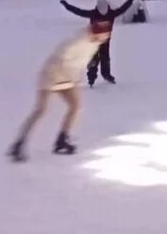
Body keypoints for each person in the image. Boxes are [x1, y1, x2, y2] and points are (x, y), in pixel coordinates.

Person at [8, 29, 112, 162]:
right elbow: (62, 58)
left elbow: (79, 62)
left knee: (75, 106)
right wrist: (72, 75)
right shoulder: (77, 41)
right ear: (97, 33)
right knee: (41, 110)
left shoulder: (94, 44)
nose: (107, 37)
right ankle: (19, 143)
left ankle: (62, 140)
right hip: (51, 75)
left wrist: (75, 76)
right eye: (105, 34)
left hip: (67, 79)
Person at [59, 0, 137, 86]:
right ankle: (105, 75)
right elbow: (123, 8)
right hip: (104, 40)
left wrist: (67, 5)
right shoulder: (111, 14)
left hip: (95, 41)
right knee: (105, 58)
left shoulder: (94, 13)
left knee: (95, 59)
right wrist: (130, 0)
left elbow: (79, 11)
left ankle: (92, 77)